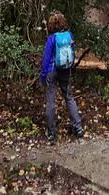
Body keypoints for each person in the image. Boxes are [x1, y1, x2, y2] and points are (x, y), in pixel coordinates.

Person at [40, 11, 83, 143]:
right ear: (63, 22)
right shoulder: (69, 35)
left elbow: (46, 58)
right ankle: (78, 127)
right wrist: (69, 67)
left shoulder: (52, 38)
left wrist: (42, 76)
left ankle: (52, 133)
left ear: (51, 24)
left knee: (51, 101)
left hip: (52, 70)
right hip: (65, 69)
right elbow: (73, 52)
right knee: (69, 97)